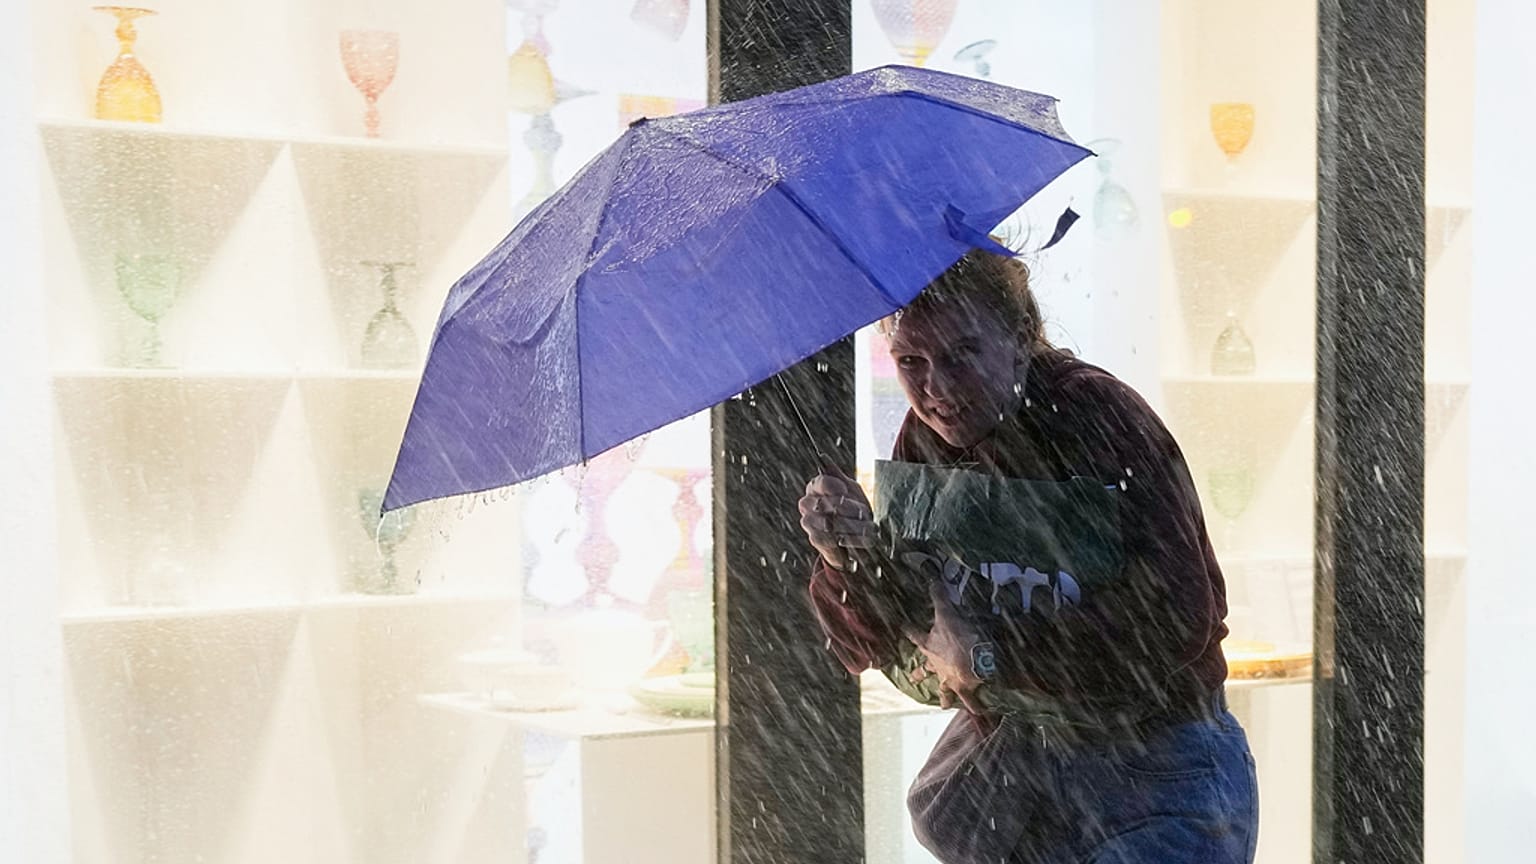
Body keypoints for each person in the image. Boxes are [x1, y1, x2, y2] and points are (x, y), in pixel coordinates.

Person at [797, 249, 1259, 864]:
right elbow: (882, 640)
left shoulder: (1097, 416)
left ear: (1019, 340)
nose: (937, 389)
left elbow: (1179, 616)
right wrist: (845, 559)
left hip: (1154, 768)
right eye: (912, 361)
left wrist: (993, 652)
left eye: (963, 355)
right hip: (1022, 779)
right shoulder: (922, 442)